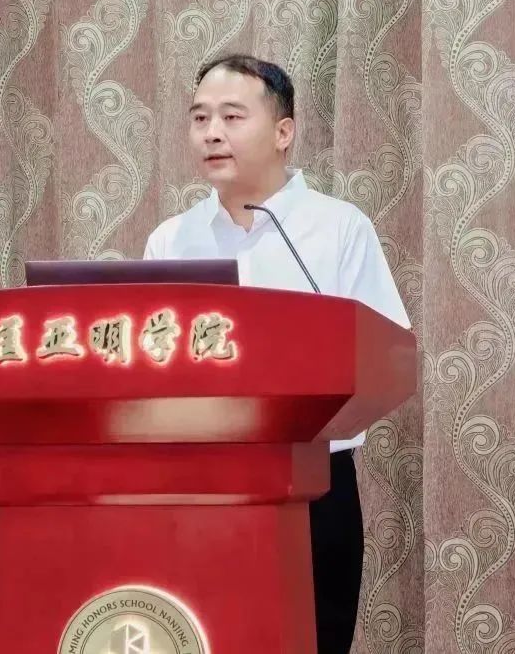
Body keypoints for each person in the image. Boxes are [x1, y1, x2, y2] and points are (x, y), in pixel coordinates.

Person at [143, 54, 410, 651]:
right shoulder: (171, 240)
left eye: (232, 117)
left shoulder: (338, 229)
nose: (212, 132)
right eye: (200, 118)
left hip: (313, 486)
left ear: (283, 132)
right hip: (200, 489)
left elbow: (390, 362)